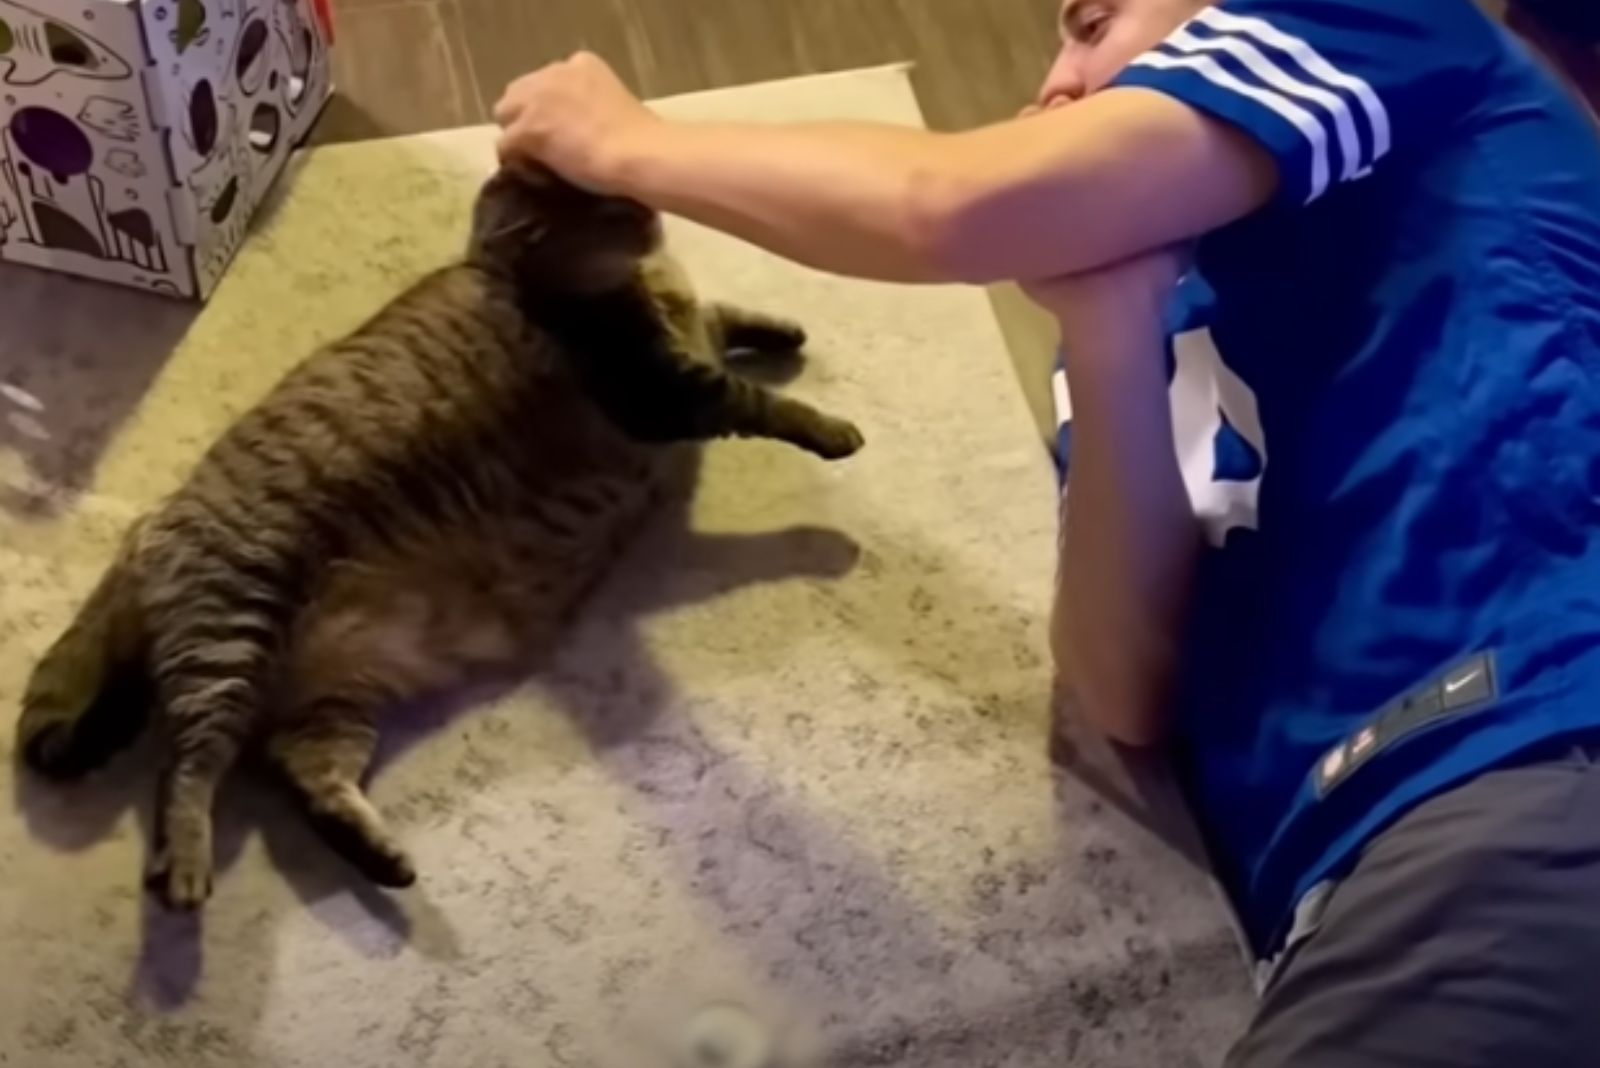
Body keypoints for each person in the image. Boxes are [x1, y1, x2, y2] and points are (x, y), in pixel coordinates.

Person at [494, 0, 1600, 1062]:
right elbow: (1120, 689)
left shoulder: (1373, 19)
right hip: (1345, 877)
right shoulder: (1146, 327)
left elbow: (955, 207)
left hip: (1534, 741)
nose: (1052, 81)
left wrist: (625, 142)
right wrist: (1111, 330)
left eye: (1090, 24)